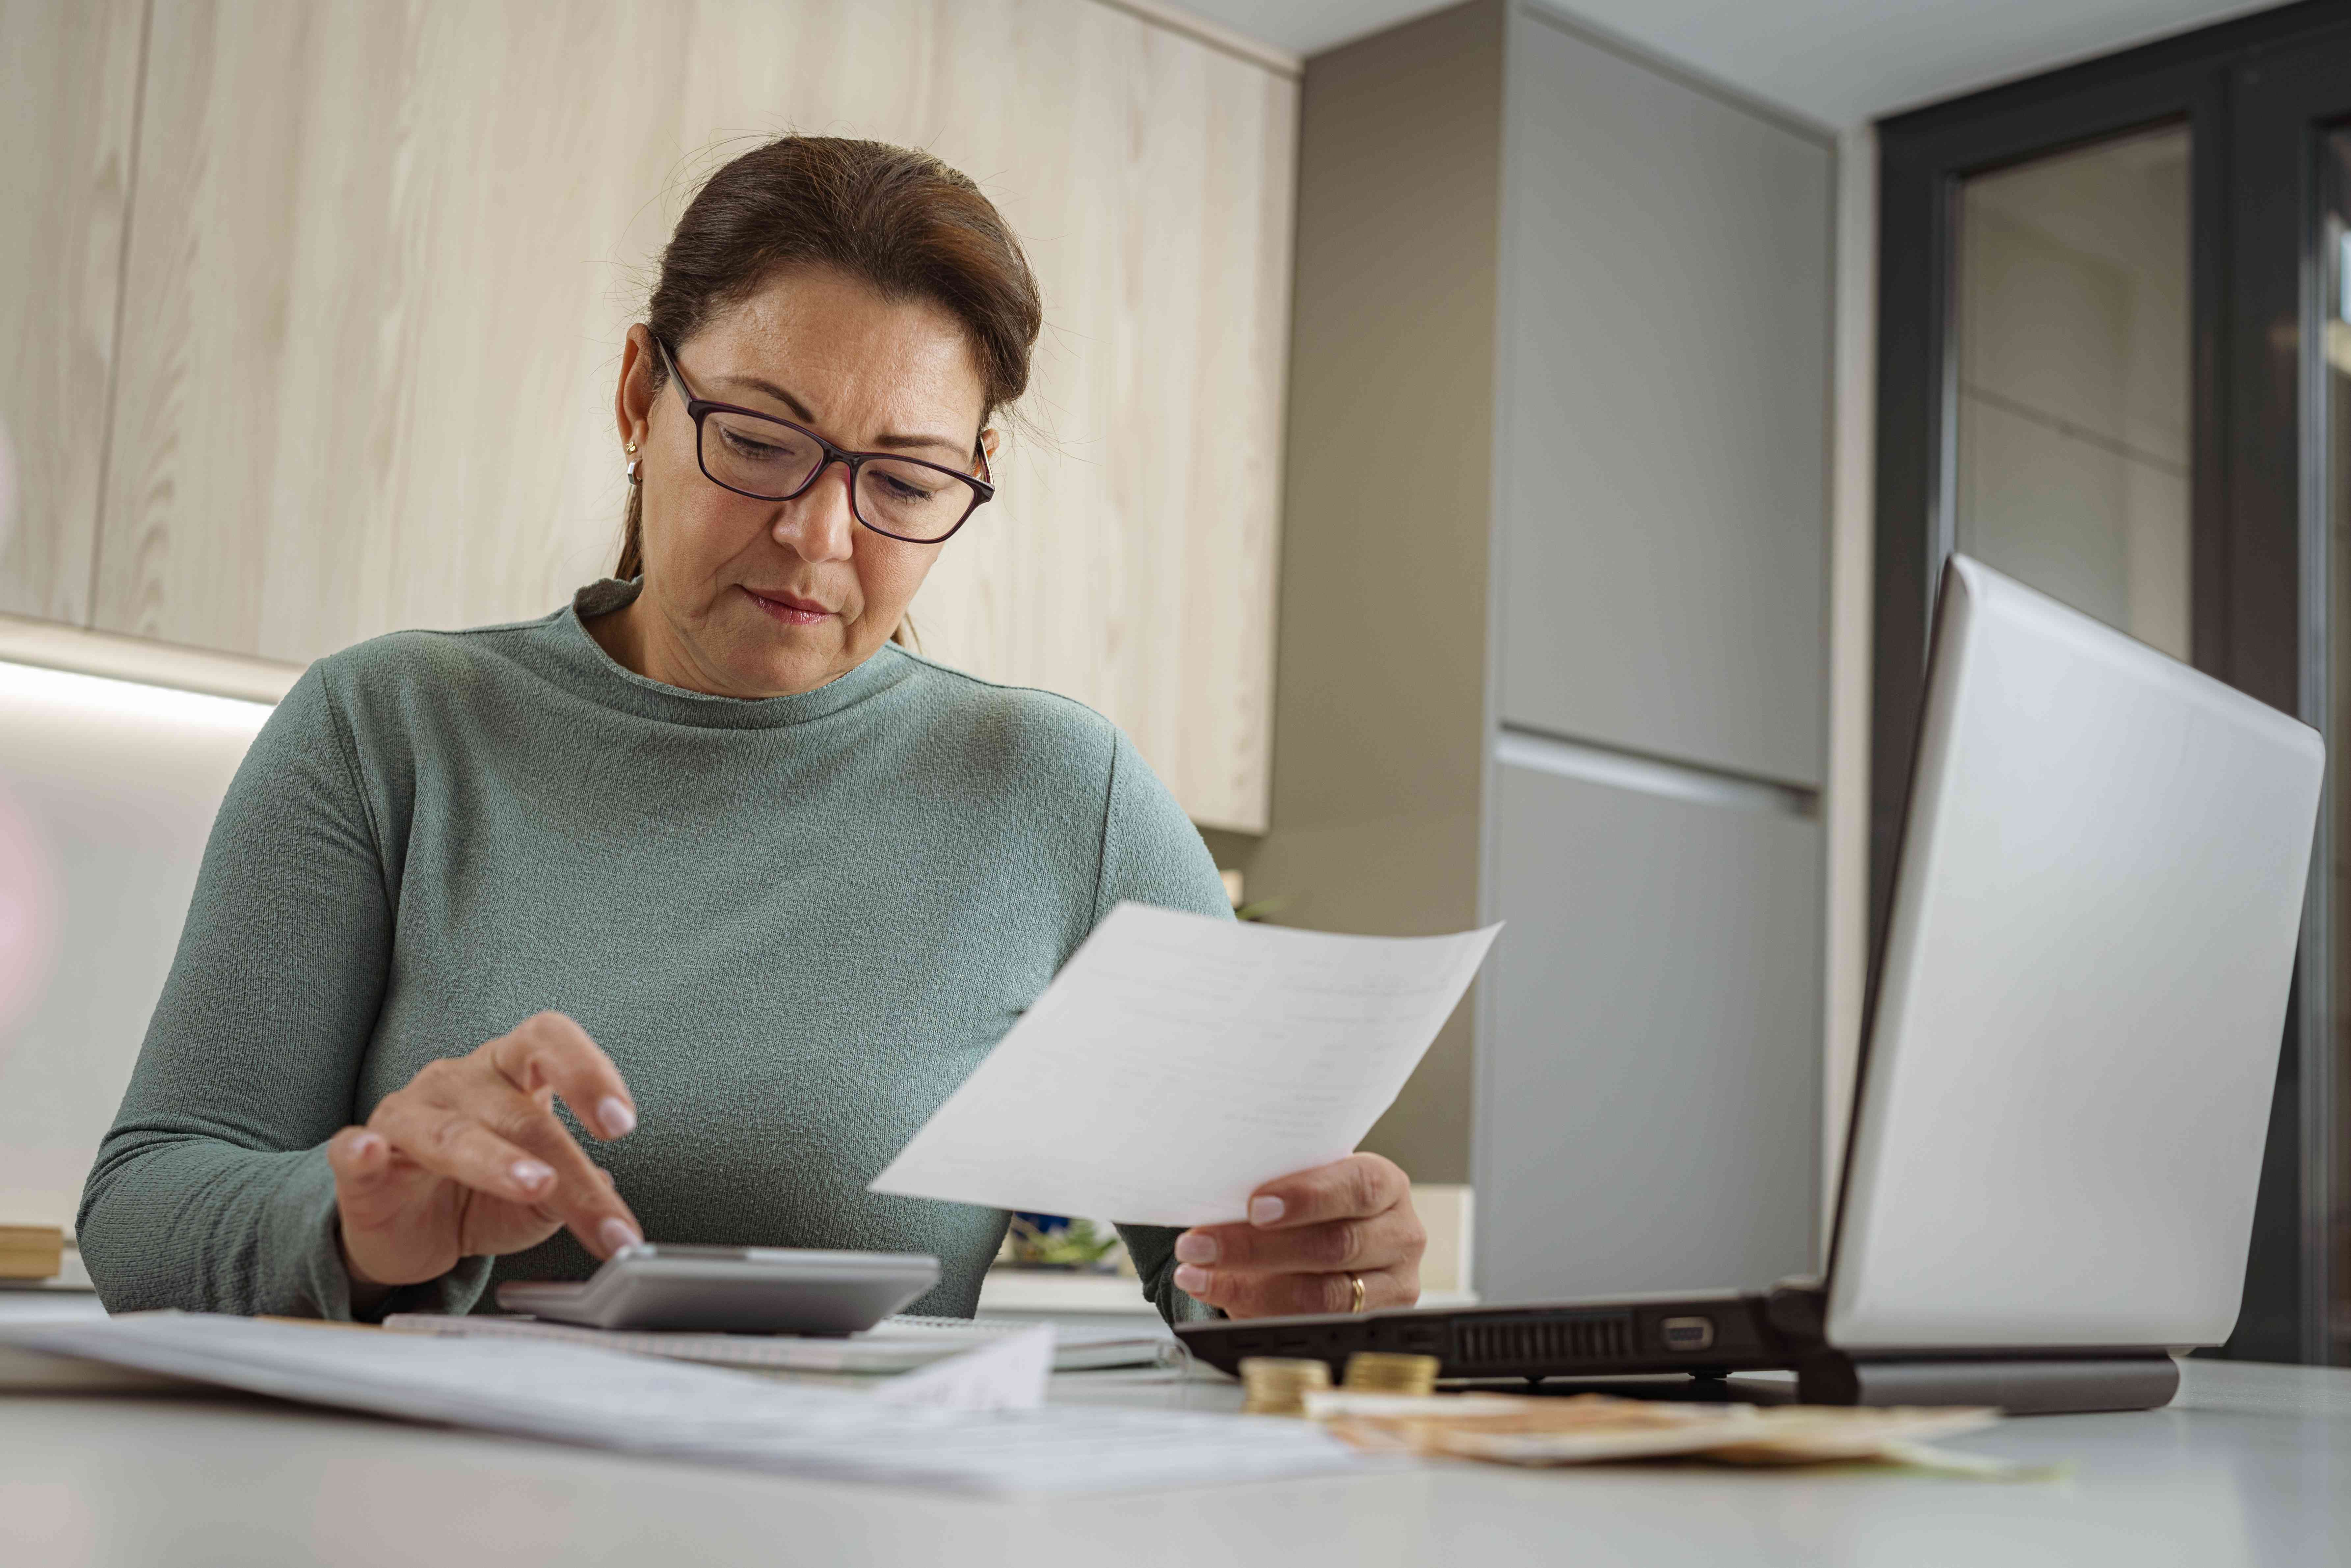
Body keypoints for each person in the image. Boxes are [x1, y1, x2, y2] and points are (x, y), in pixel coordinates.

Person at [78, 136, 1426, 1325]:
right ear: (637, 398)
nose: (817, 534)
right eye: (760, 441)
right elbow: (145, 1205)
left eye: (902, 479)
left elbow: (1235, 1278)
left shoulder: (1061, 796)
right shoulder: (388, 730)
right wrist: (350, 1223)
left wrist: (1314, 1274)